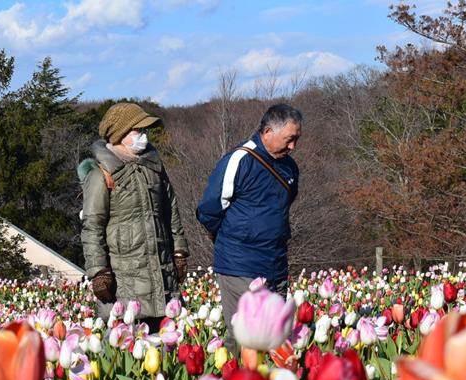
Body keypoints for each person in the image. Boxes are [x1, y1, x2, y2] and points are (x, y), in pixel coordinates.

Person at [196, 103, 302, 353]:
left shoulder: (289, 167)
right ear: (268, 131)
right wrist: (234, 237)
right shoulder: (239, 160)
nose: (293, 147)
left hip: (276, 263)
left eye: (296, 139)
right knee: (244, 339)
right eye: (289, 139)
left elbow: (284, 206)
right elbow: (209, 209)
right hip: (240, 263)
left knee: (275, 338)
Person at [79, 102, 189, 330]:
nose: (144, 135)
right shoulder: (101, 174)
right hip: (125, 281)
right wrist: (99, 271)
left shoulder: (154, 168)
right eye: (138, 130)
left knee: (167, 343)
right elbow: (92, 227)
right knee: (130, 343)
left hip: (162, 275)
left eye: (145, 130)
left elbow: (171, 211)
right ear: (120, 134)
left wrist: (179, 251)